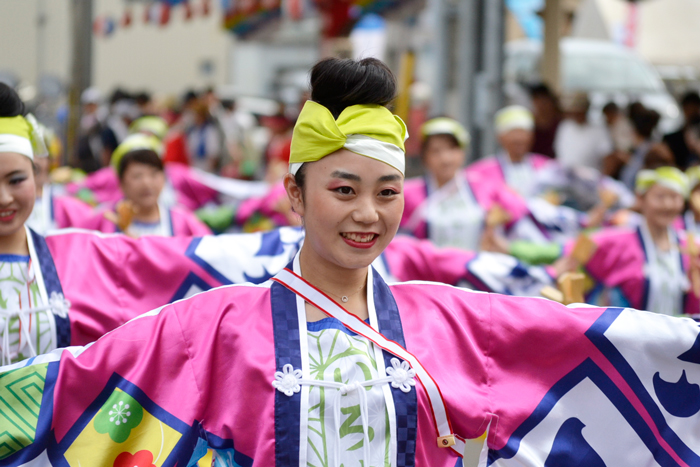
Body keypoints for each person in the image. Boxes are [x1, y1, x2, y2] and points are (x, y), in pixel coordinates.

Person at [5, 58, 700, 467]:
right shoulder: (214, 325)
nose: (367, 213)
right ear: (294, 194)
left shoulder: (446, 319)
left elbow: (585, 342)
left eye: (386, 191)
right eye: (343, 189)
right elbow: (82, 381)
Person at [554, 166, 696, 315]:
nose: (668, 205)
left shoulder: (692, 248)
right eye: (660, 197)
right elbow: (572, 253)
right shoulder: (616, 242)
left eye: (674, 197)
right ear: (641, 199)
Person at [401, 117, 528, 250]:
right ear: (424, 156)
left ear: (462, 152)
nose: (445, 158)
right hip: (428, 270)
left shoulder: (483, 186)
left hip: (475, 267)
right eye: (436, 151)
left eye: (451, 149)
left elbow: (518, 211)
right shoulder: (408, 193)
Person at [73, 134, 212, 237]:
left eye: (154, 174)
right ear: (121, 183)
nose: (147, 183)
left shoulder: (183, 221)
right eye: (137, 176)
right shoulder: (104, 220)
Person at [467, 105, 554, 198]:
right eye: (513, 132)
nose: (519, 138)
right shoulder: (480, 172)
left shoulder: (546, 166)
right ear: (499, 137)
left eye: (523, 132)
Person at [554, 92, 614, 171]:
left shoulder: (598, 130)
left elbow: (608, 158)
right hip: (566, 177)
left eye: (578, 111)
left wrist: (600, 180)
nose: (575, 114)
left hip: (590, 180)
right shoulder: (564, 127)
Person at [529, 83, 562, 158]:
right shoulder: (529, 123)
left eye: (543, 100)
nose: (541, 104)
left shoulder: (560, 123)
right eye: (537, 99)